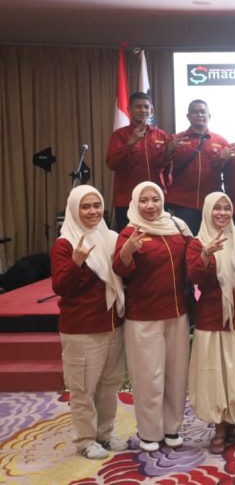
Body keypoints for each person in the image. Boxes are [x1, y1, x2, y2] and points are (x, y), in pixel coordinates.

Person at [112, 182, 192, 452]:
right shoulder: (130, 231)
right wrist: (127, 252)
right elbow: (119, 269)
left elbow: (194, 257)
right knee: (149, 376)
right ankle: (149, 432)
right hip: (143, 317)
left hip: (177, 314)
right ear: (135, 203)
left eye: (155, 199)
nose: (150, 205)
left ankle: (171, 427)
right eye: (144, 200)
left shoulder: (178, 227)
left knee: (176, 375)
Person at [51, 185, 128, 460]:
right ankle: (85, 440)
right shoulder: (65, 244)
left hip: (112, 324)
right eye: (85, 206)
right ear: (74, 209)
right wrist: (76, 262)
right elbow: (61, 286)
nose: (92, 211)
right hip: (82, 329)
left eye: (96, 205)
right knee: (83, 388)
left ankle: (105, 434)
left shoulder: (110, 237)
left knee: (109, 385)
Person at [186, 192, 235, 455]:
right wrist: (206, 255)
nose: (222, 213)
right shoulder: (197, 242)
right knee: (215, 374)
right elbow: (195, 277)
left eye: (226, 208)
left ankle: (232, 421)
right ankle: (220, 426)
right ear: (207, 211)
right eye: (216, 208)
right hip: (212, 319)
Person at [106, 92, 171, 230]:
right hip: (127, 201)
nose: (143, 110)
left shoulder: (161, 135)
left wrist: (165, 191)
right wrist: (130, 142)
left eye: (146, 107)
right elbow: (111, 164)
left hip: (155, 201)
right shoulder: (119, 135)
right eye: (138, 106)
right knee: (129, 239)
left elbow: (167, 169)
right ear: (129, 110)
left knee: (156, 239)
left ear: (152, 110)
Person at [164, 100, 229, 234]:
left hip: (211, 204)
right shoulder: (176, 139)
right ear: (188, 116)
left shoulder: (221, 141)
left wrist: (223, 159)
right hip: (182, 203)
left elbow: (229, 173)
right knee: (183, 241)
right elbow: (161, 166)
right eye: (195, 112)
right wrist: (169, 149)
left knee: (211, 241)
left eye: (202, 112)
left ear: (209, 116)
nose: (199, 115)